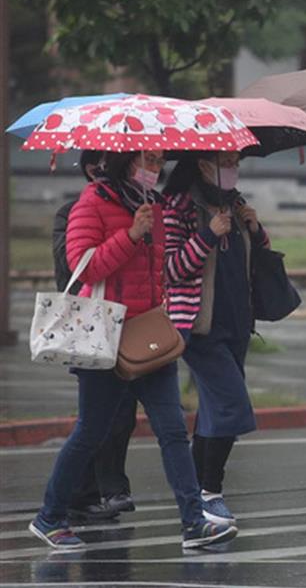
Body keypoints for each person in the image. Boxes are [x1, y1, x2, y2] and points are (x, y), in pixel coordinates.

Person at [29, 150, 235, 551]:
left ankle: (193, 523)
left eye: (158, 162)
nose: (154, 169)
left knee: (173, 430)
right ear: (123, 161)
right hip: (105, 334)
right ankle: (49, 517)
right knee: (91, 431)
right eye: (148, 161)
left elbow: (156, 272)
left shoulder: (151, 205)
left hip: (147, 332)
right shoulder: (93, 202)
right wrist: (132, 235)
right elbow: (82, 266)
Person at [164, 152, 269, 526]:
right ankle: (210, 493)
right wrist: (209, 233)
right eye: (224, 160)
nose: (233, 166)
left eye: (235, 160)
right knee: (232, 408)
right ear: (202, 164)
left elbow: (257, 256)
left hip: (237, 324)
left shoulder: (234, 202)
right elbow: (171, 269)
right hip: (198, 326)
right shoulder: (177, 206)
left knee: (213, 411)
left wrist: (255, 229)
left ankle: (194, 497)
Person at [51, 151, 139, 523]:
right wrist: (125, 237)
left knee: (121, 415)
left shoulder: (138, 206)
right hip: (91, 322)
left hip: (131, 324)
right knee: (97, 420)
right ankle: (82, 494)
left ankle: (103, 489)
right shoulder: (74, 210)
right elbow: (73, 268)